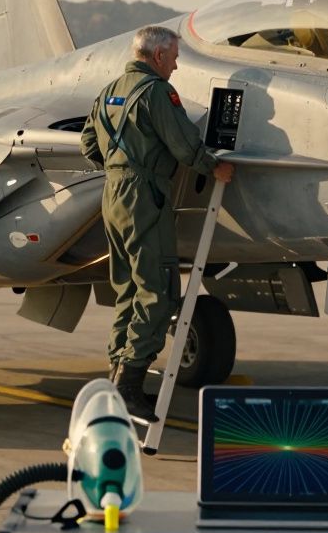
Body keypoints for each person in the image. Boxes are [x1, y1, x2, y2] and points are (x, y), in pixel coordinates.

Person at [79, 26, 235, 420]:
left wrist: (120, 169)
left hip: (112, 195)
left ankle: (118, 373)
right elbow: (184, 145)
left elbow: (88, 145)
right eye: (175, 57)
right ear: (158, 55)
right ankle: (128, 386)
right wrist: (214, 167)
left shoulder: (108, 91)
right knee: (158, 292)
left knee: (128, 290)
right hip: (145, 197)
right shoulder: (155, 93)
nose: (177, 64)